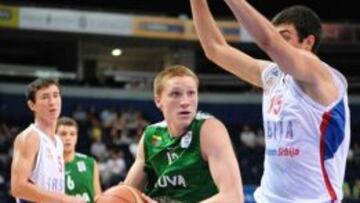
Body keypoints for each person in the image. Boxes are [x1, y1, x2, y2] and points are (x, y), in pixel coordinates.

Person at [190, 1, 350, 202]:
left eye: (285, 38)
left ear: (308, 42)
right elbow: (215, 49)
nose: (278, 46)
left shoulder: (320, 75)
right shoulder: (273, 76)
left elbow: (268, 40)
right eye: (278, 37)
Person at [124, 65, 244, 203]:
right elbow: (128, 192)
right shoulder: (151, 135)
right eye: (176, 94)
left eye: (191, 93)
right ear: (158, 100)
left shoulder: (209, 130)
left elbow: (233, 197)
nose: (185, 102)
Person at [10, 78, 84, 203]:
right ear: (31, 105)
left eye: (56, 95)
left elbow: (51, 192)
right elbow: (17, 188)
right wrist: (65, 199)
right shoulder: (30, 137)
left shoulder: (58, 142)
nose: (52, 102)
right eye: (45, 97)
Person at [56, 116, 102, 203]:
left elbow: (98, 197)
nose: (68, 138)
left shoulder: (90, 163)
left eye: (72, 134)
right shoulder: (47, 164)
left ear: (77, 137)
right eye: (63, 134)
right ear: (55, 136)